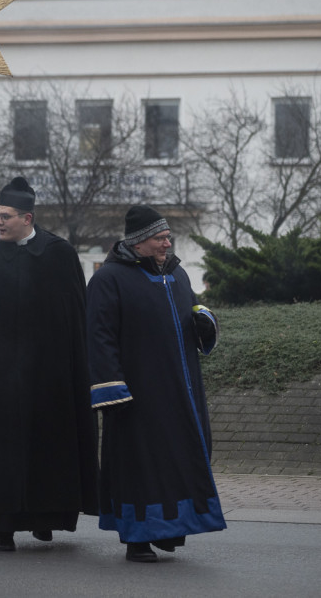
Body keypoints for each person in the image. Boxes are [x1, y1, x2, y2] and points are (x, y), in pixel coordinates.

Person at [0, 177, 98, 551]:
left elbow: (74, 319)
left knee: (47, 452)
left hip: (45, 379)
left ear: (27, 217)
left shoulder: (59, 254)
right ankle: (1, 528)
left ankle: (46, 517)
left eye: (5, 216)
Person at [87, 205, 224, 563]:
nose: (167, 243)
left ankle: (170, 532)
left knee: (178, 461)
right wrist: (112, 390)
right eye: (160, 238)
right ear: (138, 242)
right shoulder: (107, 280)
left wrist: (205, 322)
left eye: (168, 237)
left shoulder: (178, 276)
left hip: (180, 393)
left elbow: (192, 314)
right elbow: (99, 338)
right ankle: (138, 540)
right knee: (141, 466)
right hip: (137, 395)